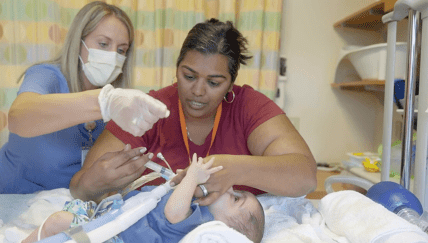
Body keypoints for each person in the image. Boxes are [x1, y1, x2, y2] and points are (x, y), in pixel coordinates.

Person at [69, 18, 317, 205]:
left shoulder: (248, 107)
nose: (198, 91)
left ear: (230, 84)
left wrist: (234, 169)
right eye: (188, 76)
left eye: (214, 82)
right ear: (177, 69)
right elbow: (79, 188)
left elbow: (304, 176)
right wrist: (95, 182)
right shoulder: (149, 108)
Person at [0, 2, 169, 194]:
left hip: (54, 210)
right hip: (3, 201)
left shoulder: (119, 108)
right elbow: (18, 118)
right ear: (79, 42)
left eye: (121, 50)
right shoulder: (47, 76)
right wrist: (103, 102)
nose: (112, 56)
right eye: (103, 44)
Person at [20, 153, 265, 243]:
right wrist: (183, 181)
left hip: (114, 242)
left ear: (226, 227)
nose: (230, 188)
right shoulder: (195, 203)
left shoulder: (199, 219)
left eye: (235, 198)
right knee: (61, 223)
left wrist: (191, 180)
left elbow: (172, 212)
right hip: (108, 222)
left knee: (57, 223)